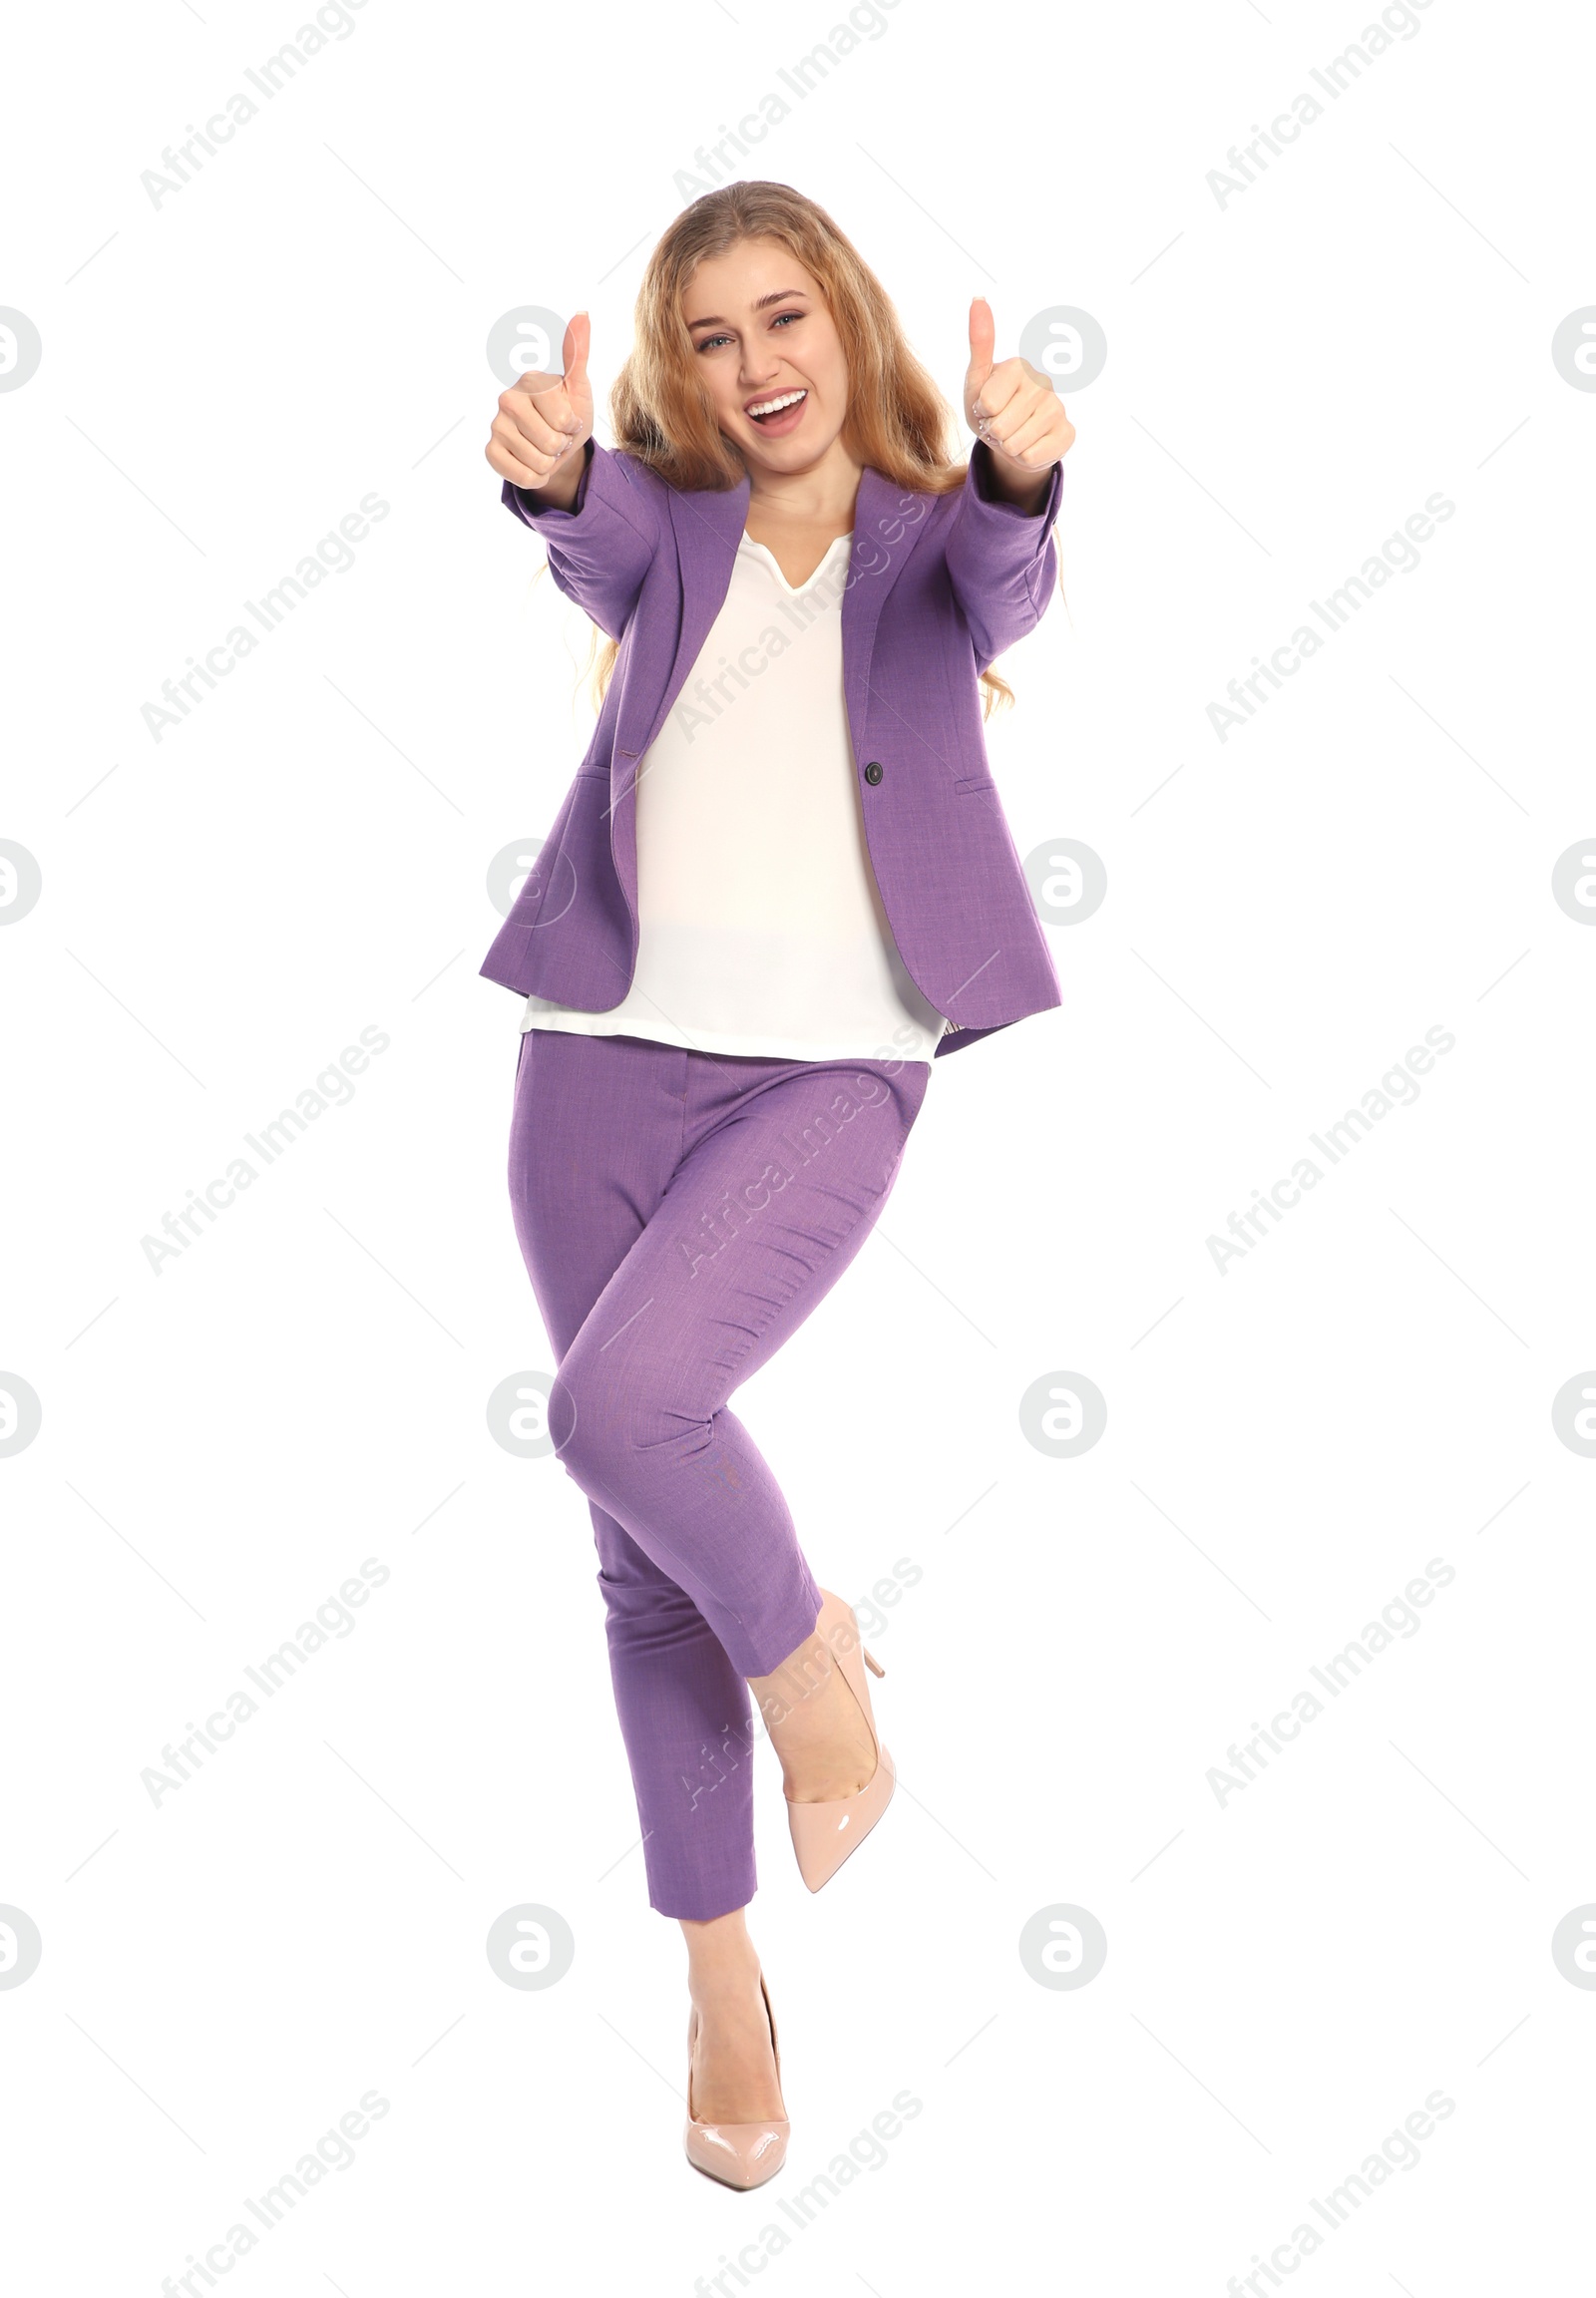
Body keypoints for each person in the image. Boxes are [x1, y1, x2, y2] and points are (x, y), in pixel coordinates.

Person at [481, 180, 1074, 2188]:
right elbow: (592, 535)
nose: (756, 369)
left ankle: (810, 1660)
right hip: (591, 1074)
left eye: (784, 318)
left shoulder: (932, 542)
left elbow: (1002, 579)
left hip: (831, 1073)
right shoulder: (668, 525)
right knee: (634, 1543)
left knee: (613, 1415)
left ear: (845, 318)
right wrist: (559, 474)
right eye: (712, 338)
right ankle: (718, 1978)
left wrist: (1012, 461)